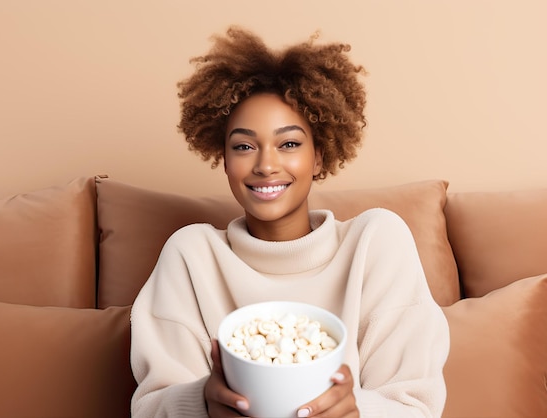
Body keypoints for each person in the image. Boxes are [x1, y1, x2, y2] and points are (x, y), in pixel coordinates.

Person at [130, 26, 449, 418]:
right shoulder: (191, 255)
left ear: (318, 157)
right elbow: (149, 407)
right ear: (224, 159)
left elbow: (416, 406)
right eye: (244, 146)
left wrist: (356, 409)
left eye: (290, 144)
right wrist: (202, 404)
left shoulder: (376, 243)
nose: (266, 165)